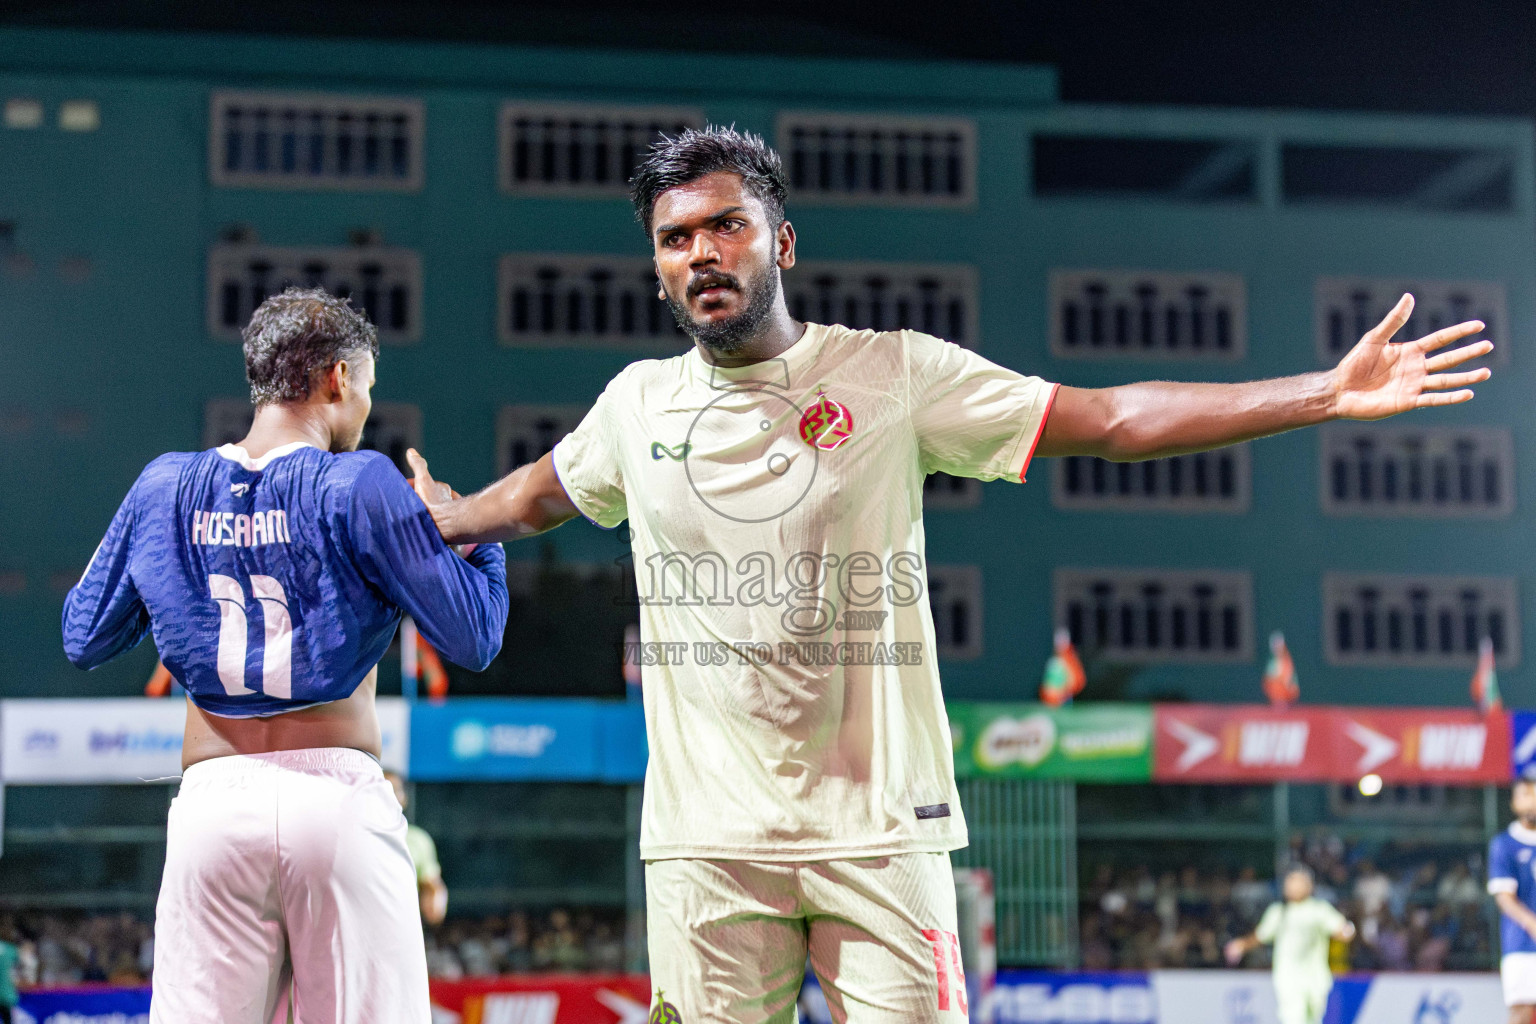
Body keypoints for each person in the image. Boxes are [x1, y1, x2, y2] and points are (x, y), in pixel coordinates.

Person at [405, 126, 1490, 1024]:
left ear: (781, 240)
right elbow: (545, 491)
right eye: (675, 236)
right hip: (705, 849)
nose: (701, 252)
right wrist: (452, 517)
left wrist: (1320, 392)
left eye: (724, 225)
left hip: (884, 835)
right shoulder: (636, 405)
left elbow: (1112, 420)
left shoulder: (891, 373)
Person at [62, 287, 509, 1024]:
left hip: (212, 805)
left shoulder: (163, 485)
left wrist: (181, 565)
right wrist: (470, 529)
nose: (365, 406)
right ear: (337, 378)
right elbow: (476, 637)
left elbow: (84, 636)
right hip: (334, 803)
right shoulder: (362, 484)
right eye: (367, 386)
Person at [1225, 866, 1355, 1024]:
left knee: (1313, 1019)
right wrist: (1241, 945)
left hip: (1316, 979)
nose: (1290, 887)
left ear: (1308, 886)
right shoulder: (1278, 912)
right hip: (1288, 979)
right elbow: (1261, 935)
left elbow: (1342, 929)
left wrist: (1347, 931)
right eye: (1289, 883)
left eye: (1295, 882)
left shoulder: (1319, 910)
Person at [1489, 778, 1536, 1024]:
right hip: (1523, 945)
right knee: (1522, 1012)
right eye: (1527, 794)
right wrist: (1531, 923)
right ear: (1515, 803)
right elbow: (1505, 898)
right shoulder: (1505, 844)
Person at [387, 770, 449, 926]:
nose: (388, 795)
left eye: (395, 789)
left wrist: (436, 898)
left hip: (401, 927)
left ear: (404, 797)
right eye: (381, 789)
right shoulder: (353, 835)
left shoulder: (418, 840)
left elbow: (432, 885)